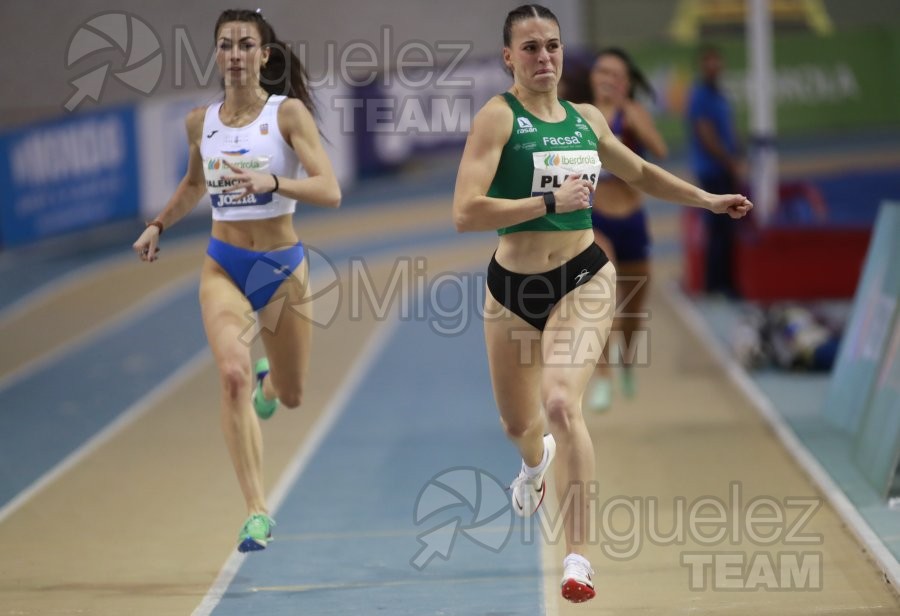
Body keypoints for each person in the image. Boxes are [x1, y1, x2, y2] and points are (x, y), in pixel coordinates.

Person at [452, 4, 752, 603]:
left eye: (553, 46)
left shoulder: (586, 119)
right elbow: (466, 212)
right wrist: (549, 202)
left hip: (583, 277)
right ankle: (534, 464)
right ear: (509, 57)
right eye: (530, 48)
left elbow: (639, 170)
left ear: (564, 54)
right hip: (511, 288)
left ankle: (578, 557)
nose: (544, 57)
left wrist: (708, 199)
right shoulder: (496, 119)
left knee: (562, 402)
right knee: (520, 424)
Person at [132, 8, 341, 553]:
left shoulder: (287, 114)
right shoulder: (200, 122)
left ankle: (271, 383)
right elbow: (193, 183)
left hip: (279, 266)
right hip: (223, 262)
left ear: (264, 55)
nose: (235, 55)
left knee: (291, 395)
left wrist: (273, 181)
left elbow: (329, 189)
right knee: (230, 375)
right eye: (226, 45)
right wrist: (157, 223)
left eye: (246, 45)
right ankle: (256, 512)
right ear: (217, 54)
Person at [587, 47, 668, 411]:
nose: (607, 78)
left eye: (615, 73)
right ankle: (602, 375)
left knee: (633, 307)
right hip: (596, 218)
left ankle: (627, 361)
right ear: (593, 77)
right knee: (603, 295)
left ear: (626, 81)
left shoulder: (632, 114)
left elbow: (660, 151)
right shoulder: (581, 117)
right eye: (602, 71)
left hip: (633, 220)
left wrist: (633, 119)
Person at [686, 44, 742, 296]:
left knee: (727, 229)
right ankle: (716, 285)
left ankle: (725, 281)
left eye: (716, 61)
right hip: (712, 170)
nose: (713, 66)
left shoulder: (719, 94)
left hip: (724, 167)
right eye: (708, 62)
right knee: (719, 227)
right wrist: (728, 160)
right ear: (702, 65)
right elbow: (706, 134)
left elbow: (727, 127)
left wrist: (736, 152)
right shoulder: (700, 95)